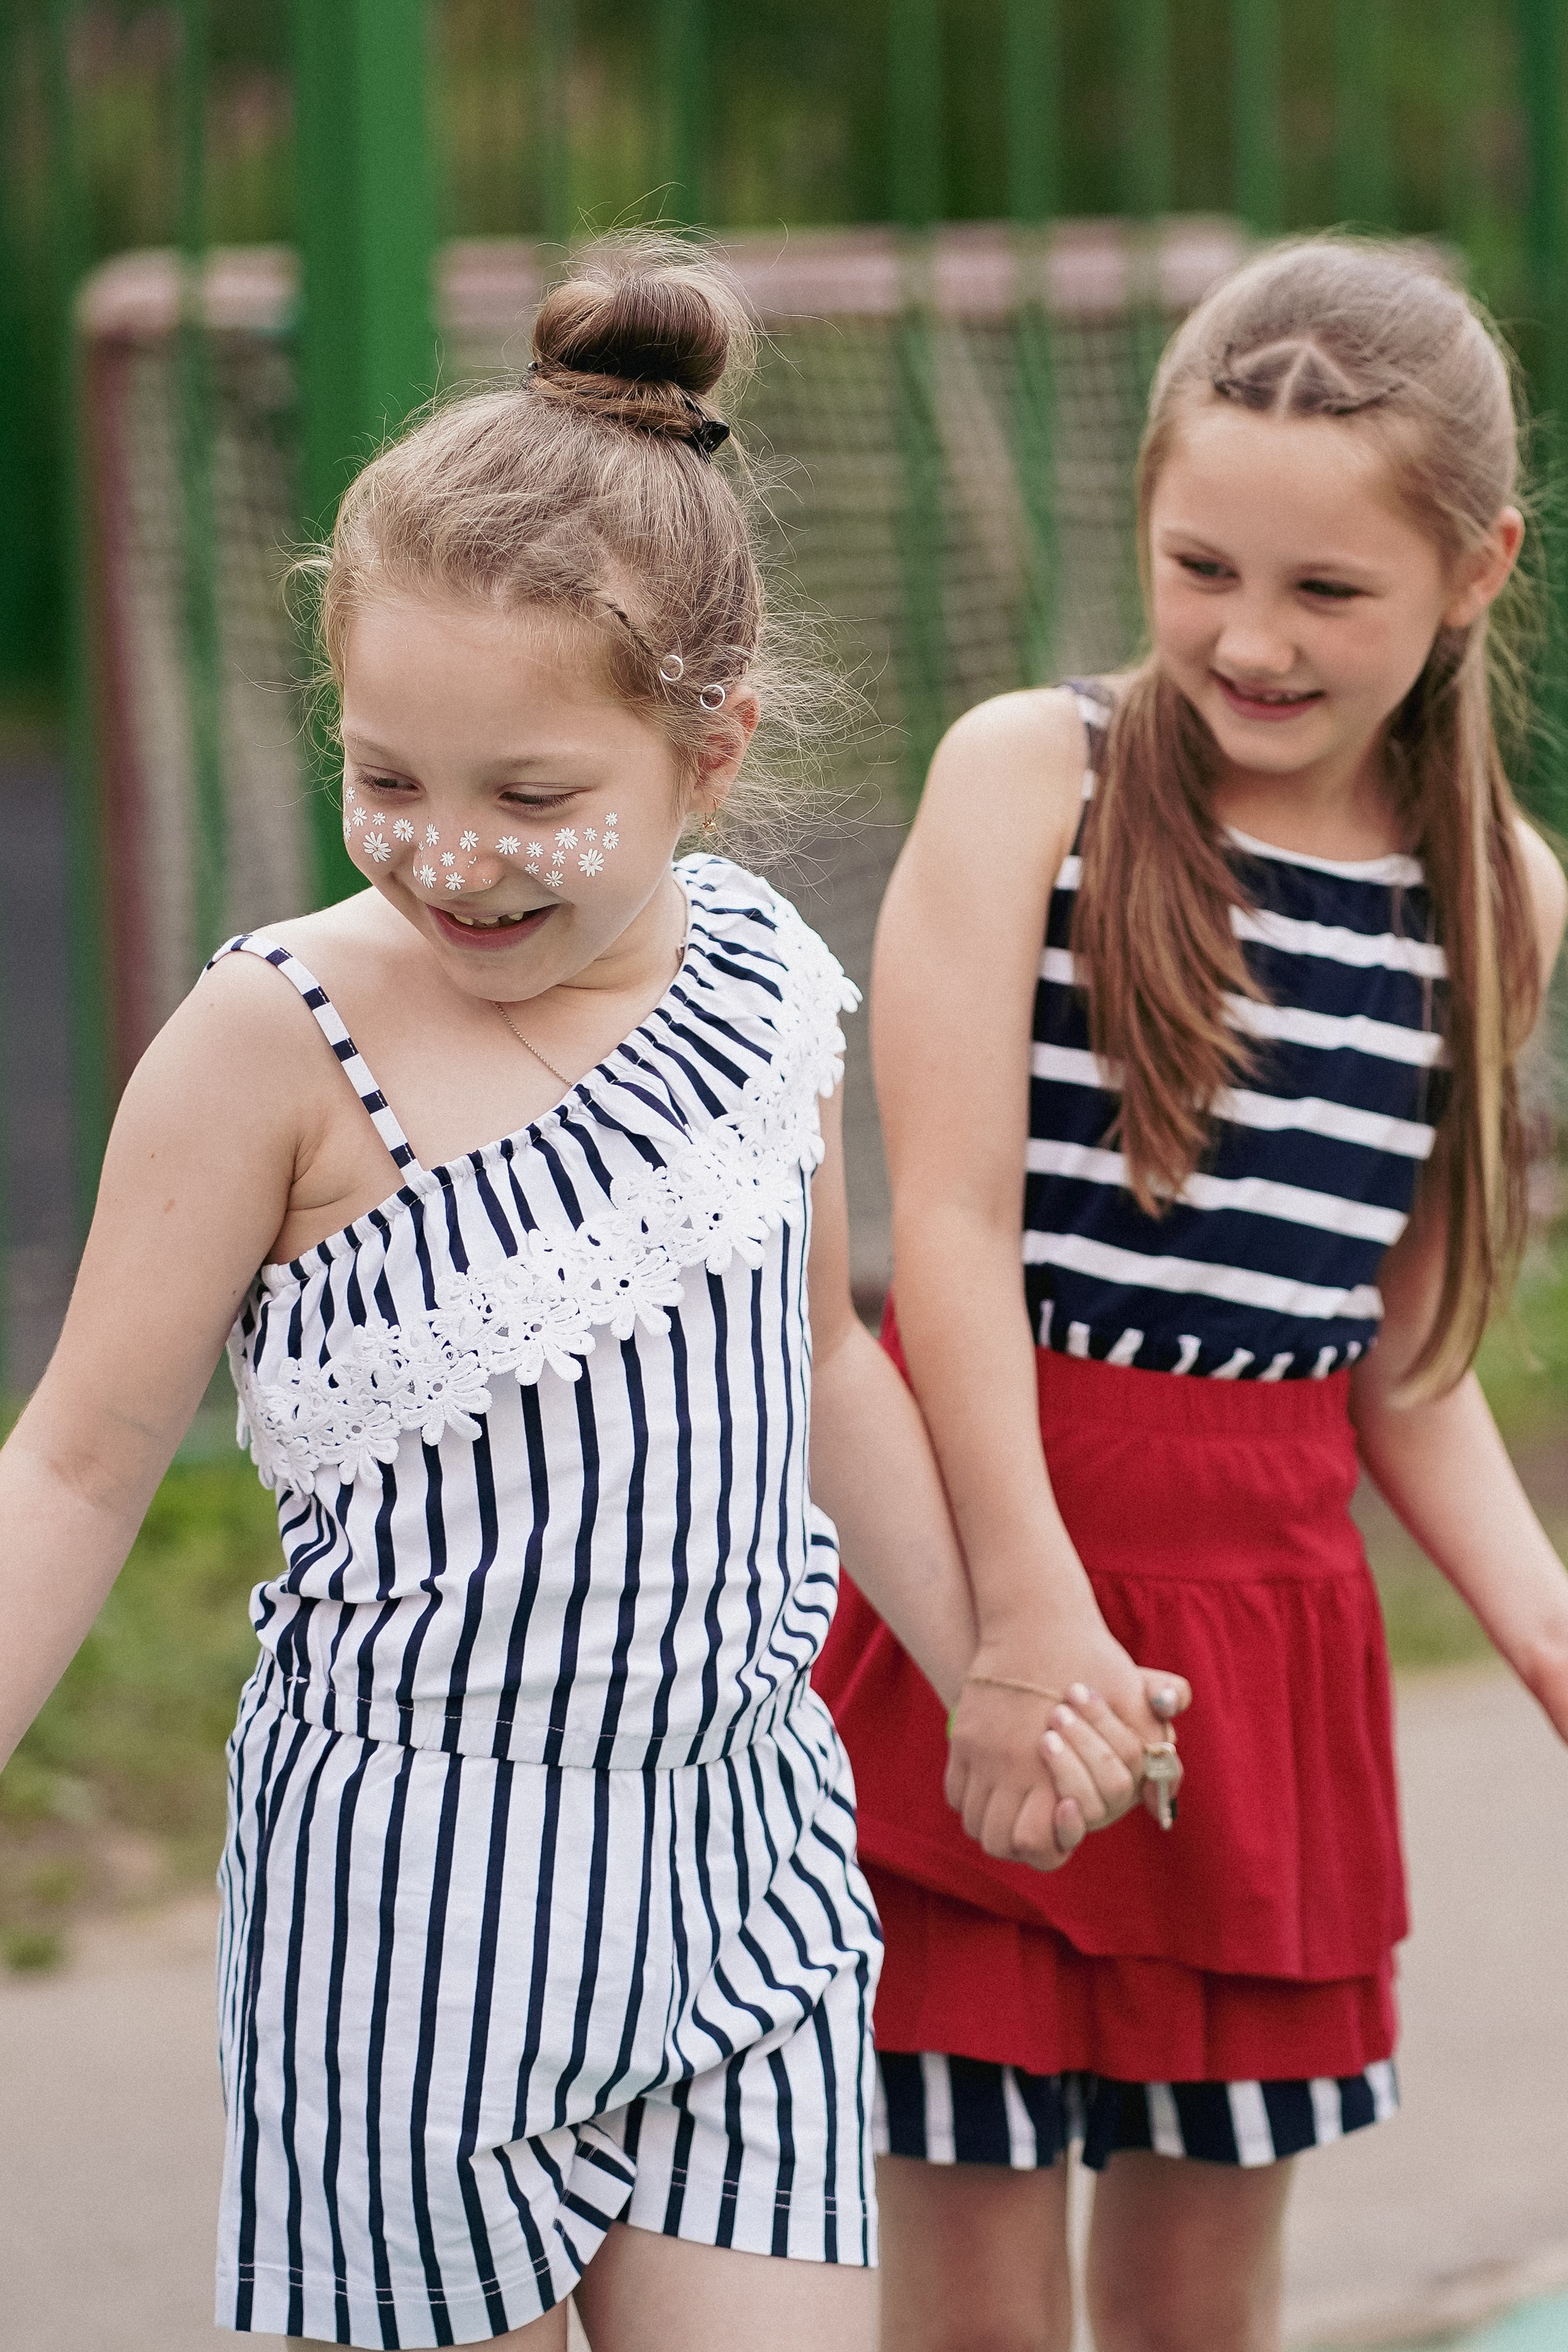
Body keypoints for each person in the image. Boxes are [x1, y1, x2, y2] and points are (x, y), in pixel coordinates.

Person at [0, 236, 1159, 2349]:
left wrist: (1000, 1651)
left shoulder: (765, 996)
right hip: (409, 1911)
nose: (447, 857)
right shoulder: (270, 1043)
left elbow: (818, 1369)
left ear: (709, 758)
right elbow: (76, 1467)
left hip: (746, 1862)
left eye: (534, 797)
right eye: (388, 784)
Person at [815, 236, 1568, 2352]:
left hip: (1271, 1645)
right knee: (972, 2281)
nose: (1253, 639)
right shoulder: (1025, 776)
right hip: (990, 1568)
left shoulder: (1498, 898)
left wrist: (1539, 1625)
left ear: (1476, 569)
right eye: (1200, 566)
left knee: (1197, 2310)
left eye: (1329, 594)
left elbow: (1398, 1363)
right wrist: (1029, 1615)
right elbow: (945, 1242)